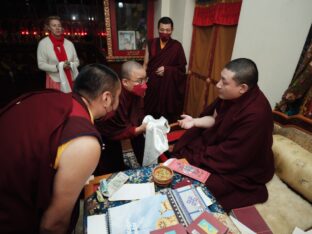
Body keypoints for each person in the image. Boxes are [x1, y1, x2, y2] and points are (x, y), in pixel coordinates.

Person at [0, 64, 121, 233]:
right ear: (107, 98)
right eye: (118, 97)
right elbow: (53, 224)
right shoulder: (85, 141)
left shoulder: (49, 97)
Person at [171, 58, 275, 211]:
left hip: (241, 165)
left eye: (224, 82)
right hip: (221, 144)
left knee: (202, 187)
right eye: (220, 78)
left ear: (242, 88)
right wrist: (194, 121)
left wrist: (199, 157)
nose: (218, 84)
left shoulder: (256, 115)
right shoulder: (231, 96)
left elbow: (235, 155)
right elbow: (214, 120)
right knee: (186, 146)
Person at [95, 61, 147, 174]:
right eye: (139, 80)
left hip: (130, 124)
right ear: (125, 82)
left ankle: (146, 166)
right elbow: (113, 128)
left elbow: (137, 113)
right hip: (109, 134)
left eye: (145, 79)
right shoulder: (114, 96)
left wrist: (139, 128)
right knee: (113, 161)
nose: (144, 85)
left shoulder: (136, 91)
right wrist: (138, 129)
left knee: (141, 142)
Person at [143, 16, 187, 123]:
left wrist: (167, 70)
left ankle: (165, 132)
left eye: (167, 30)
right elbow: (145, 64)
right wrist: (142, 82)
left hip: (169, 87)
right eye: (162, 30)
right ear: (158, 29)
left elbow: (182, 69)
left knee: (165, 116)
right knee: (150, 113)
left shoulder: (177, 46)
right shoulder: (151, 43)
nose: (164, 32)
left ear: (172, 30)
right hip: (152, 85)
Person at [37, 16, 79, 92]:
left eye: (59, 25)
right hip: (54, 80)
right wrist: (58, 67)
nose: (57, 28)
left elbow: (77, 61)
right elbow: (41, 64)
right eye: (54, 25)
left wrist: (70, 65)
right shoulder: (43, 43)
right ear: (49, 28)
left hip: (71, 80)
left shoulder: (69, 44)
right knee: (57, 103)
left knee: (71, 102)